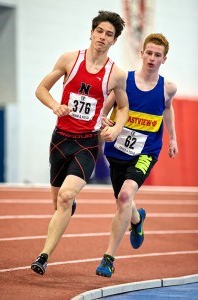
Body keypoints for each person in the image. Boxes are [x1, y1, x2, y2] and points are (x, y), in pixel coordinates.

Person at [30, 10, 129, 275]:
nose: (102, 37)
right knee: (59, 203)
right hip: (60, 140)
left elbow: (124, 106)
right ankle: (66, 205)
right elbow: (41, 88)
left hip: (87, 144)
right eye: (100, 31)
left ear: (114, 41)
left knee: (65, 196)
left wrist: (117, 127)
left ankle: (43, 256)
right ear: (92, 32)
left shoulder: (115, 74)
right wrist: (55, 106)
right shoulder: (69, 59)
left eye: (109, 34)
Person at [96, 33, 179, 278]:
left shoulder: (168, 88)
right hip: (117, 151)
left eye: (158, 55)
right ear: (141, 53)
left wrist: (172, 138)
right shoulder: (124, 81)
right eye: (149, 53)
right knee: (124, 202)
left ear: (164, 59)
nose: (152, 58)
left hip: (146, 151)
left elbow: (167, 109)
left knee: (124, 196)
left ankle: (108, 259)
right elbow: (107, 106)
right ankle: (137, 218)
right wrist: (103, 123)